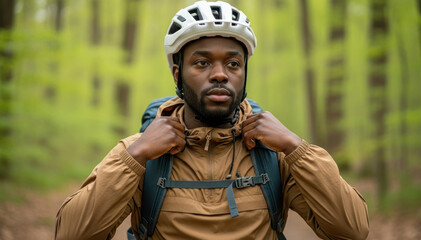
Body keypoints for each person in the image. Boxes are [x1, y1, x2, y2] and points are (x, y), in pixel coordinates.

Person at [55, 1, 369, 240]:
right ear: (177, 75)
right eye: (202, 62)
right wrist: (134, 156)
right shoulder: (141, 154)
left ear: (244, 74)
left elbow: (352, 229)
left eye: (233, 63)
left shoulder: (275, 154)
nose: (219, 74)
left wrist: (295, 146)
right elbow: (71, 234)